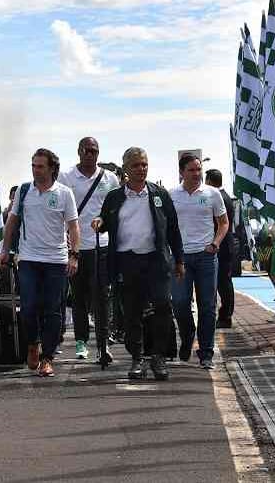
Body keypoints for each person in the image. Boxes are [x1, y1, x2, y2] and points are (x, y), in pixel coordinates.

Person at [92, 147, 184, 381]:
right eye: (135, 165)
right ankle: (137, 358)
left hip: (155, 260)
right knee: (131, 312)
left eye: (144, 164)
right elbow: (105, 221)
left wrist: (179, 260)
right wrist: (99, 221)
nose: (141, 169)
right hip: (126, 261)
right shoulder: (114, 197)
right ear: (126, 169)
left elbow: (172, 229)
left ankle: (159, 356)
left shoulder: (159, 194)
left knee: (163, 307)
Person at [0, 148, 79, 378]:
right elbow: (12, 222)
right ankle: (33, 344)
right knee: (29, 307)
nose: (36, 170)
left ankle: (48, 357)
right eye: (33, 165)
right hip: (29, 259)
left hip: (56, 261)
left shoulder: (64, 193)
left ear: (52, 168)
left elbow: (73, 226)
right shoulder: (24, 191)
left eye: (40, 166)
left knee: (53, 311)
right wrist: (5, 250)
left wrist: (74, 255)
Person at [58, 137, 120, 364]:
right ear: (78, 151)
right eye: (85, 150)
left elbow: (116, 208)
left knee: (101, 297)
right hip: (75, 248)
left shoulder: (109, 178)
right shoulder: (65, 178)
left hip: (101, 246)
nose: (89, 154)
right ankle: (81, 341)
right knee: (79, 298)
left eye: (94, 150)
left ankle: (103, 344)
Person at [170, 155, 228, 369]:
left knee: (208, 306)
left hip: (206, 256)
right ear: (182, 172)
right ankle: (187, 336)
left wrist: (215, 243)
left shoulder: (212, 194)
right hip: (181, 258)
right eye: (192, 170)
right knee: (179, 302)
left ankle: (206, 353)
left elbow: (223, 223)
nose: (197, 174)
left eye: (199, 169)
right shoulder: (171, 195)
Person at [204, 169, 236, 328]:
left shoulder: (218, 197)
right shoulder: (226, 197)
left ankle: (225, 316)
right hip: (224, 245)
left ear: (209, 180)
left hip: (221, 246)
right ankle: (225, 315)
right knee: (223, 282)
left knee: (223, 283)